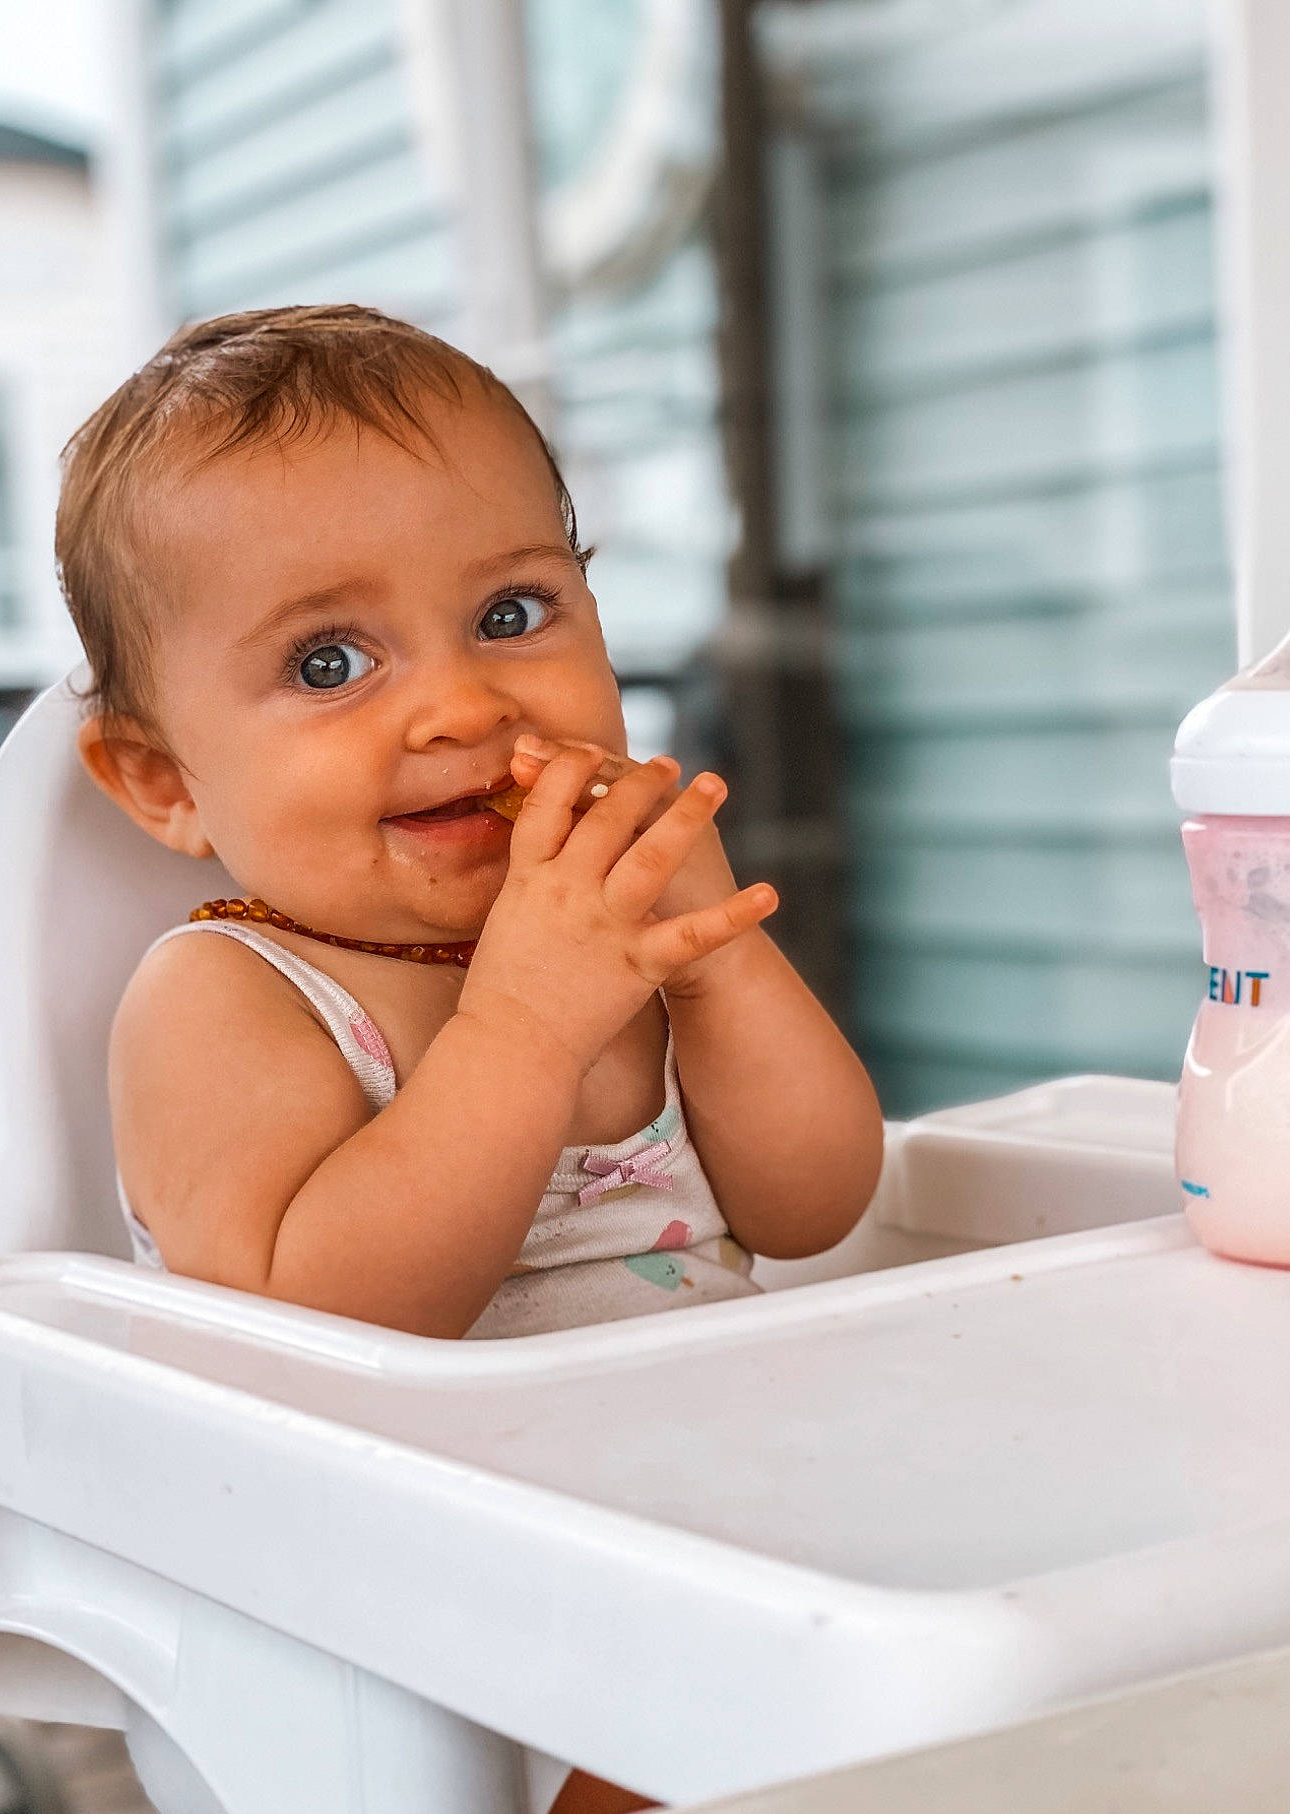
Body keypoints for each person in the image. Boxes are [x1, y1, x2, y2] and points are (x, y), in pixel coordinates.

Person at [63, 304, 882, 1348]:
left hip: (704, 1463)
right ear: (165, 780)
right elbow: (312, 1329)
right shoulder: (223, 999)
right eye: (329, 663)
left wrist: (717, 957)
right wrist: (526, 1029)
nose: (465, 705)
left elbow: (813, 1210)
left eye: (510, 614)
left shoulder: (618, 940)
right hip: (407, 1502)